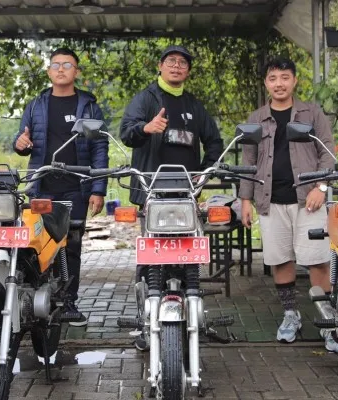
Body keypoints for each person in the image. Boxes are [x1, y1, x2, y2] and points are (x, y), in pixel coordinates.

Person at [119, 45, 224, 350]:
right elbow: (126, 132)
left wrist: (204, 172)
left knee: (187, 253)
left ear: (187, 71)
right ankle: (145, 321)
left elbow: (214, 141)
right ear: (160, 66)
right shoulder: (145, 99)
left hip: (186, 193)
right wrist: (146, 127)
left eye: (183, 63)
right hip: (152, 191)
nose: (177, 67)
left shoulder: (194, 105)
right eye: (172, 62)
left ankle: (190, 316)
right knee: (150, 256)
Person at [238, 57, 338, 354]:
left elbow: (328, 153)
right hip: (270, 201)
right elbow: (248, 162)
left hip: (308, 200)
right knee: (280, 260)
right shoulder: (256, 118)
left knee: (317, 260)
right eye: (273, 78)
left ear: (295, 81)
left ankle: (328, 322)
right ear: (266, 83)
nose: (279, 83)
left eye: (285, 77)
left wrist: (321, 187)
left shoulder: (312, 113)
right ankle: (291, 315)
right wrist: (245, 200)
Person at [12, 47, 108, 327]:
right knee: (39, 244)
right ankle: (37, 301)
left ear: (76, 72)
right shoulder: (36, 105)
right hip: (41, 187)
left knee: (71, 246)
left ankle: (68, 302)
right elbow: (22, 140)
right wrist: (19, 144)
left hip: (76, 187)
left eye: (68, 64)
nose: (62, 69)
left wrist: (98, 188)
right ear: (49, 71)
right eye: (56, 65)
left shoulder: (89, 106)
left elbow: (100, 147)